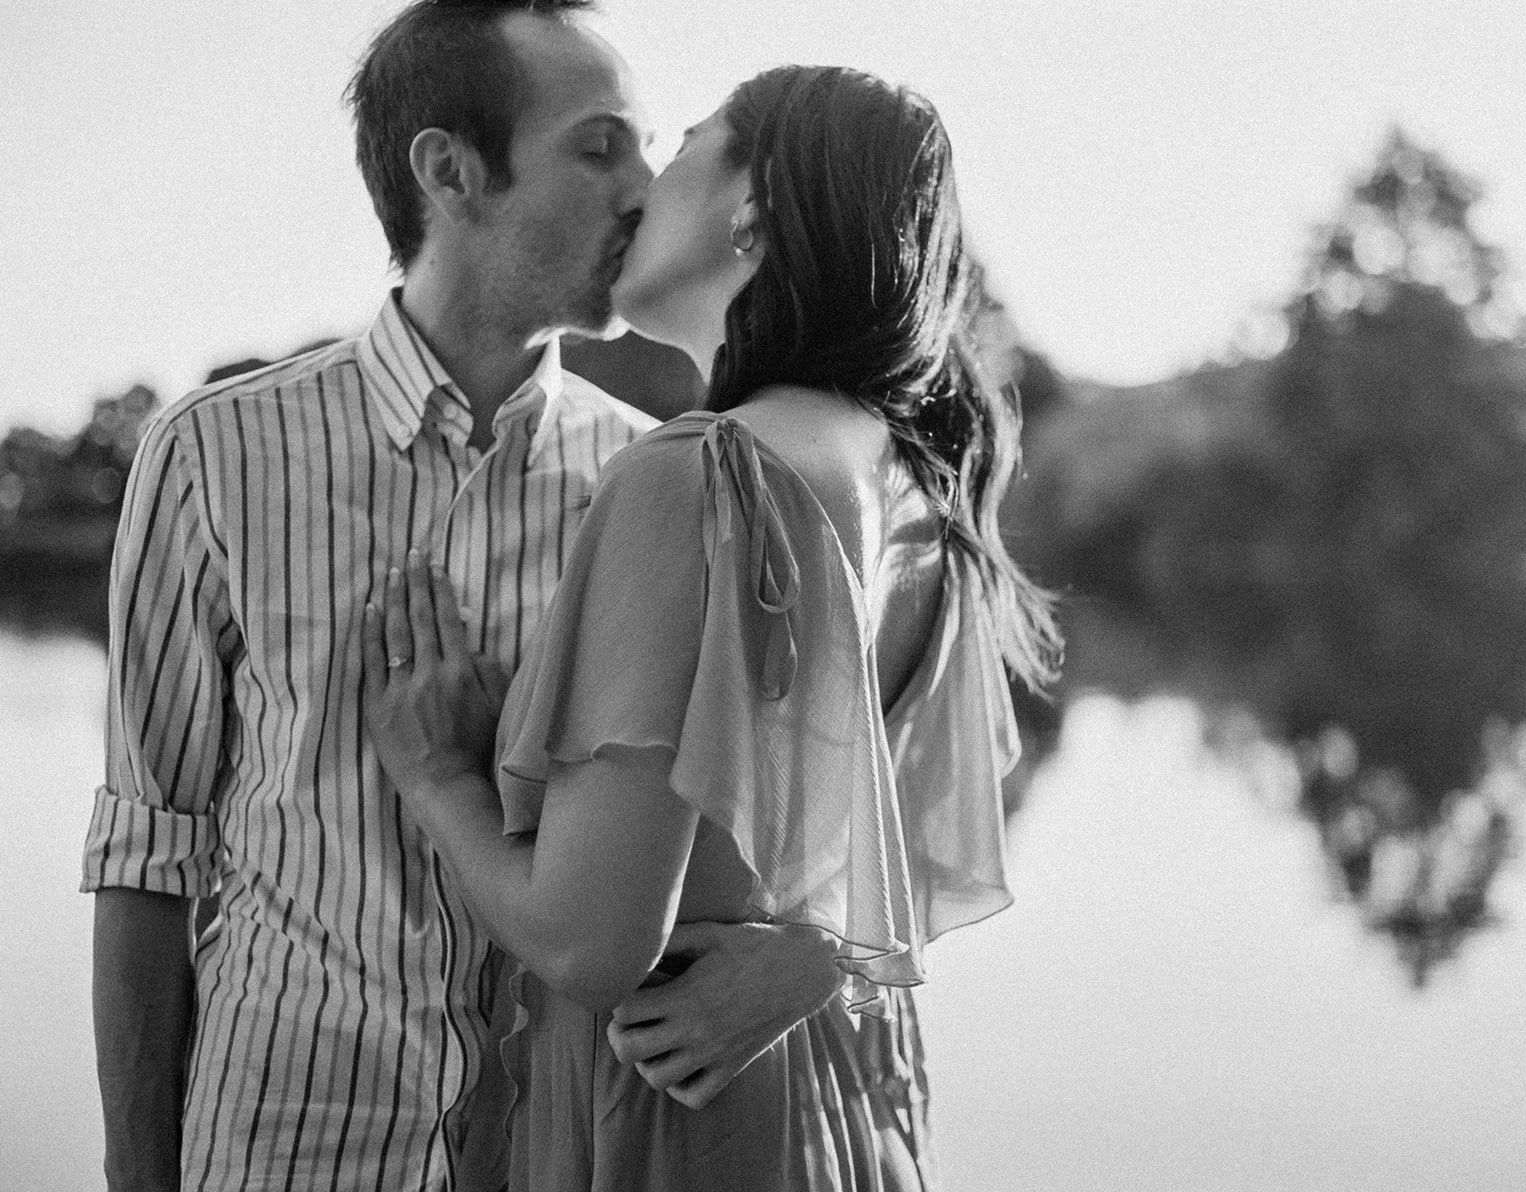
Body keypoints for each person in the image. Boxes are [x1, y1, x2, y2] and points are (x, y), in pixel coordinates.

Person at [81, 5, 844, 1189]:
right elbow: (149, 857)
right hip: (284, 1153)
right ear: (449, 171)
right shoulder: (211, 456)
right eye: (598, 150)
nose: (642, 191)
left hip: (569, 1156)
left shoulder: (675, 483)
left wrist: (814, 955)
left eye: (646, 151)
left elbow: (815, 832)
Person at [365, 64, 1063, 1190]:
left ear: (757, 206)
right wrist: (818, 954)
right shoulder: (920, 491)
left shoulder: (695, 475)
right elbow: (904, 855)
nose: (638, 186)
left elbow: (590, 942)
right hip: (846, 1116)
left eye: (680, 146)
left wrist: (438, 775)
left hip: (683, 1122)